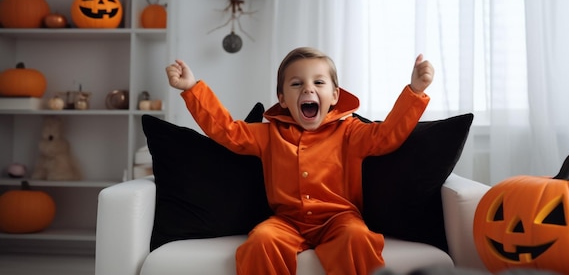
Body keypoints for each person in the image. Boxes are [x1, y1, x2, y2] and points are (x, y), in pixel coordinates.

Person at [165, 47, 434, 275]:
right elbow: (227, 130)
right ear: (282, 99)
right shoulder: (269, 135)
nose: (308, 88)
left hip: (339, 219)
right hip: (287, 221)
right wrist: (191, 89)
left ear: (335, 96)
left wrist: (415, 91)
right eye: (296, 84)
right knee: (261, 241)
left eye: (319, 83)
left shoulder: (350, 132)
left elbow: (387, 135)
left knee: (358, 238)